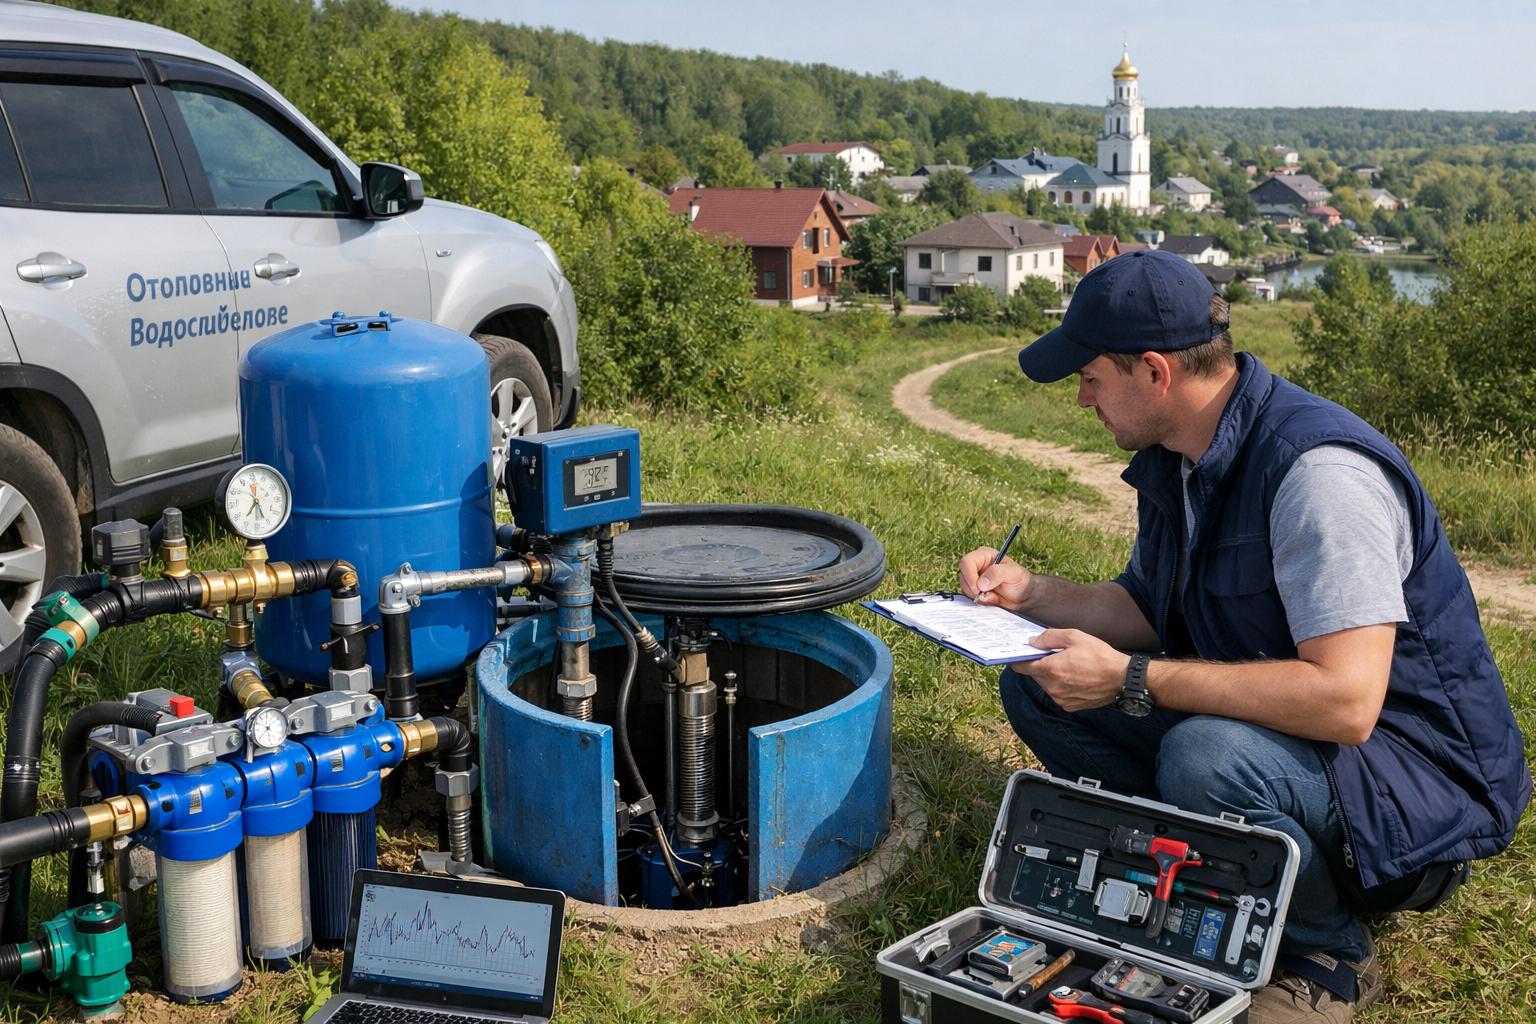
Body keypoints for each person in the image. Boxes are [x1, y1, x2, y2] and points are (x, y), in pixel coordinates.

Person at [956, 250, 1530, 1024]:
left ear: (1154, 373)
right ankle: (1194, 882)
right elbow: (1151, 609)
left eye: (1090, 378)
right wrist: (1029, 596)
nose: (1082, 399)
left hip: (1412, 798)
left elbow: (1348, 701)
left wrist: (1131, 680)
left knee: (1206, 755)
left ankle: (1322, 952)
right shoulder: (1181, 455)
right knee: (1040, 679)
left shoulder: (1319, 477)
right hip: (1299, 749)